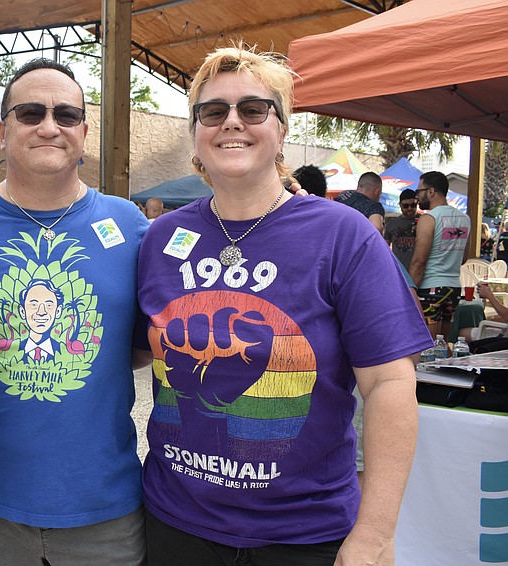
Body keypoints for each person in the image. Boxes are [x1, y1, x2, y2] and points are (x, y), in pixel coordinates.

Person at [137, 46, 432, 566]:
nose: (232, 122)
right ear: (195, 132)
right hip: (173, 525)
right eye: (213, 111)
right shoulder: (162, 238)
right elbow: (138, 352)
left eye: (253, 109)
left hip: (304, 536)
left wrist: (377, 533)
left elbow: (389, 383)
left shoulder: (343, 236)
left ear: (281, 128)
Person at [0, 58, 150, 566]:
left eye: (65, 114)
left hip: (107, 511)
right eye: (30, 112)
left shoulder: (128, 225)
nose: (49, 126)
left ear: (83, 130)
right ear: (2, 129)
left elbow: (148, 338)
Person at [409, 170, 471, 338]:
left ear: (431, 191)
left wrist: (409, 292)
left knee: (428, 343)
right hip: (454, 287)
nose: (417, 197)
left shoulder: (429, 219)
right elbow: (464, 258)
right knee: (444, 340)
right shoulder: (464, 219)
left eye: (419, 191)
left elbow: (419, 262)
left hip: (430, 287)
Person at [384, 188, 420, 273]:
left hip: (420, 272)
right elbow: (385, 248)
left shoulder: (425, 220)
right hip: (398, 271)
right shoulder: (392, 223)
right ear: (400, 205)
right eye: (406, 206)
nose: (410, 208)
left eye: (413, 205)